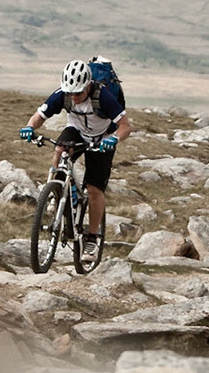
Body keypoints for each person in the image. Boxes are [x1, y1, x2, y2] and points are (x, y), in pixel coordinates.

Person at [19, 59, 130, 262]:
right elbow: (40, 115)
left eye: (77, 93)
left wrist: (114, 139)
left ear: (87, 86)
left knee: (94, 189)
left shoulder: (103, 96)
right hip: (76, 131)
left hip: (102, 138)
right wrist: (29, 127)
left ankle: (92, 239)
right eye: (70, 93)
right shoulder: (63, 94)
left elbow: (125, 126)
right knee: (59, 150)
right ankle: (55, 192)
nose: (73, 97)